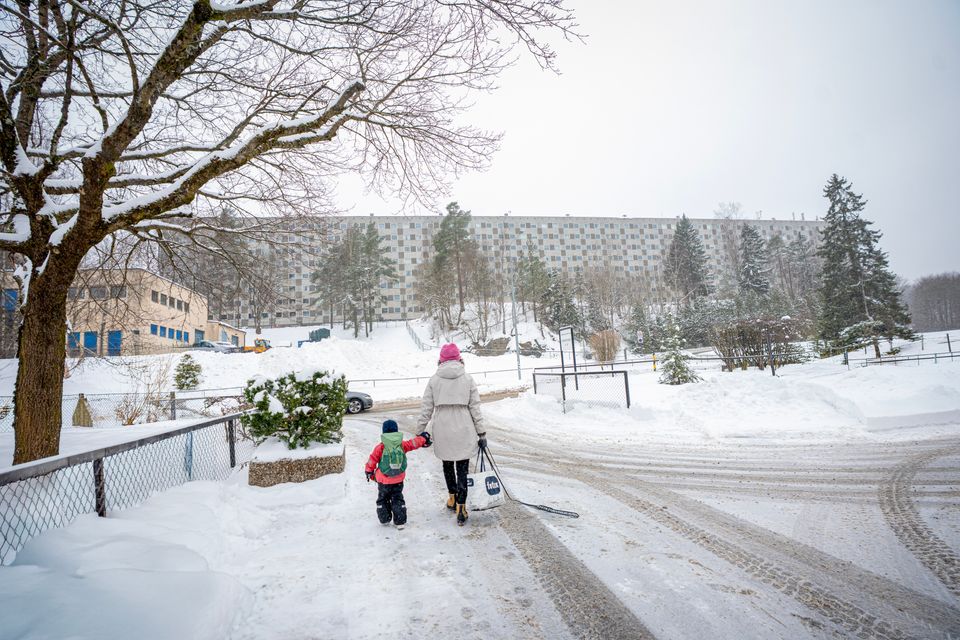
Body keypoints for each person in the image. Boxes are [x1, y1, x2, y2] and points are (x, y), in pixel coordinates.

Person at [417, 343, 486, 526]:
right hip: (464, 426)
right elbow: (475, 408)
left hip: (442, 427)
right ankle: (462, 508)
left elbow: (426, 408)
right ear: (459, 359)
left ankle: (452, 499)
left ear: (441, 359)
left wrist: (420, 431)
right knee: (462, 467)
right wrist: (481, 432)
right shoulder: (468, 379)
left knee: (447, 465)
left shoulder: (434, 380)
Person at [364, 419, 431, 530]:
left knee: (383, 498)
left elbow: (372, 460)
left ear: (384, 432)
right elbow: (413, 443)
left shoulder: (380, 447)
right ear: (396, 431)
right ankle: (400, 521)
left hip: (383, 481)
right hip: (398, 480)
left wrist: (368, 471)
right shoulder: (402, 445)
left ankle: (384, 518)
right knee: (397, 498)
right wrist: (424, 438)